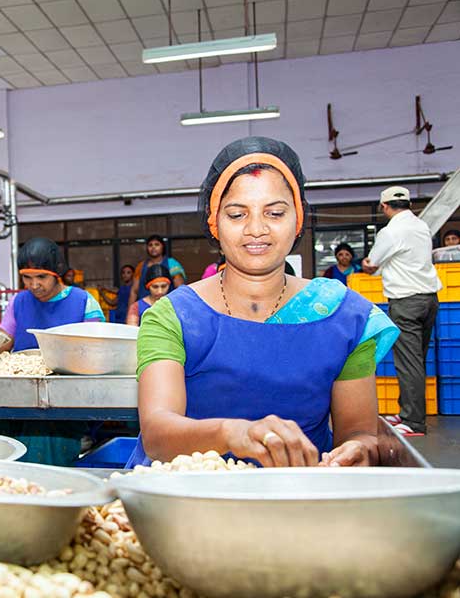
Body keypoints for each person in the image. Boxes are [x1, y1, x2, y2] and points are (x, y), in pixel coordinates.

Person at [129, 136, 399, 469]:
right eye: (237, 214)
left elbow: (358, 432)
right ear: (215, 222)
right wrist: (233, 434)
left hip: (298, 499)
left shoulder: (342, 317)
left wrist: (360, 449)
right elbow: (156, 434)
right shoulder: (175, 316)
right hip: (189, 500)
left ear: (298, 218)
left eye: (274, 212)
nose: (256, 229)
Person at [0, 237, 105, 466]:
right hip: (20, 394)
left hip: (66, 399)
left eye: (41, 277)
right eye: (27, 277)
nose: (33, 285)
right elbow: (5, 339)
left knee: (42, 442)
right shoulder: (19, 301)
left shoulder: (84, 301)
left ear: (57, 274)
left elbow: (97, 348)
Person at [362, 186, 441, 436]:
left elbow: (371, 265)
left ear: (384, 206)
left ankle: (414, 422)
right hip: (429, 300)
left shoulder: (391, 231)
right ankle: (408, 412)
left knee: (409, 363)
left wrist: (367, 265)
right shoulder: (421, 226)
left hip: (406, 302)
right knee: (417, 360)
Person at [129, 235, 186, 308]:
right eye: (150, 245)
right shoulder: (141, 266)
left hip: (167, 308)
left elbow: (180, 289)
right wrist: (131, 311)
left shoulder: (172, 264)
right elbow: (134, 291)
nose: (153, 247)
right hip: (145, 308)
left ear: (162, 247)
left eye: (157, 244)